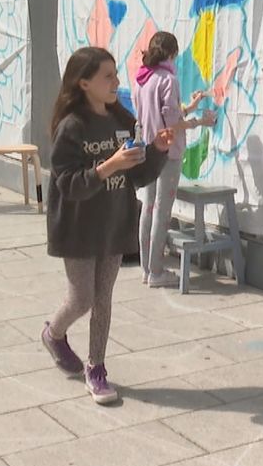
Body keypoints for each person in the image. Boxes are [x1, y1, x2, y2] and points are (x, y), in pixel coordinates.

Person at [43, 46, 175, 404]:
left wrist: (158, 151)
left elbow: (138, 176)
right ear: (84, 83)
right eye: (108, 76)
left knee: (103, 300)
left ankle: (96, 368)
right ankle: (54, 333)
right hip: (78, 226)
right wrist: (108, 166)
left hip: (113, 224)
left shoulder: (122, 121)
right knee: (82, 298)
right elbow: (67, 184)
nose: (117, 82)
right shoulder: (71, 127)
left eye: (116, 74)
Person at [130, 31, 215, 288]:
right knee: (162, 212)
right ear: (172, 53)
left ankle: (147, 269)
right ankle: (157, 272)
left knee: (148, 208)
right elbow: (173, 123)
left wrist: (189, 105)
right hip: (168, 153)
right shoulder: (168, 79)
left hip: (148, 150)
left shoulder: (142, 79)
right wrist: (201, 121)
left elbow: (163, 113)